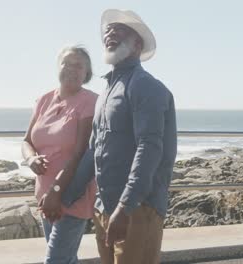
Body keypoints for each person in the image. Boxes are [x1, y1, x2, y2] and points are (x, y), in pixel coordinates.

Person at [91, 9, 177, 263]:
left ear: (137, 44)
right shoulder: (106, 90)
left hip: (137, 208)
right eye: (108, 29)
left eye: (120, 29)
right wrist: (65, 195)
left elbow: (149, 148)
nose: (110, 33)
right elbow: (92, 149)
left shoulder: (145, 86)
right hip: (105, 206)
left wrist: (125, 206)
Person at [21, 45, 98, 264]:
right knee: (66, 259)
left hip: (71, 193)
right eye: (67, 63)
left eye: (79, 66)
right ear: (59, 66)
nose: (72, 69)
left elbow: (80, 152)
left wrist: (56, 191)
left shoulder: (90, 101)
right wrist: (31, 158)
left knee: (56, 260)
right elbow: (27, 141)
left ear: (87, 74)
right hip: (45, 196)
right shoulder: (44, 99)